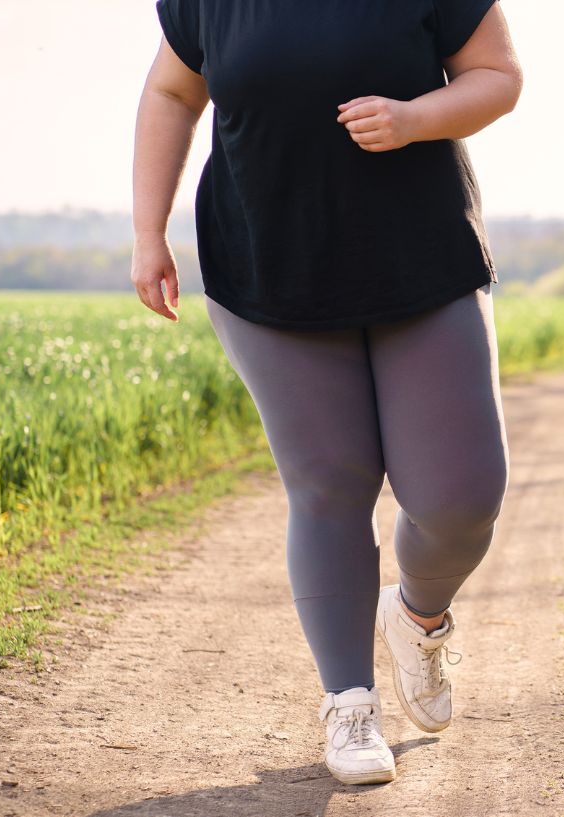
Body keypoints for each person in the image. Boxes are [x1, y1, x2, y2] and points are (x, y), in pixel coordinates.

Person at [131, 0, 523, 786]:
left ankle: (417, 614)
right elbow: (172, 92)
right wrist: (149, 233)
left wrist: (414, 118)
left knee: (462, 497)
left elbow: (498, 76)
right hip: (269, 265)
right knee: (330, 483)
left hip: (423, 260)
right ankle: (350, 703)